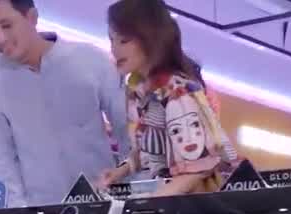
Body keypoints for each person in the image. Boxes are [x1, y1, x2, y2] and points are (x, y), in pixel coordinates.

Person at [0, 0, 131, 206]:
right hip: (40, 209)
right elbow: (2, 151)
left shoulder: (91, 60)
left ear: (32, 17)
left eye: (7, 26)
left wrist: (134, 192)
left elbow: (126, 131)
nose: (0, 38)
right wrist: (18, 209)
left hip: (102, 201)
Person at [97, 0, 240, 197]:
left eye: (124, 40)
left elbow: (199, 167)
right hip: (172, 201)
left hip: (193, 206)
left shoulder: (176, 90)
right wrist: (121, 171)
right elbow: (151, 152)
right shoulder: (140, 92)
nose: (114, 49)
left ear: (150, 39)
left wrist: (154, 202)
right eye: (111, 40)